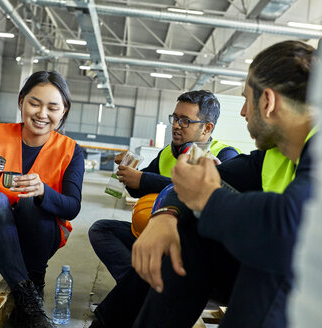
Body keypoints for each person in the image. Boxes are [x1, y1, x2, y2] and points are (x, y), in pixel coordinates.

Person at [90, 40, 317, 328]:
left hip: (310, 291)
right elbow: (191, 184)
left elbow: (288, 224)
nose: (243, 112)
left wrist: (208, 198)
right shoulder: (271, 157)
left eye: (247, 100)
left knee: (262, 272)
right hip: (274, 268)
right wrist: (165, 216)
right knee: (178, 240)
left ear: (268, 102)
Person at [0, 71, 84, 328]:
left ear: (63, 112)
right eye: (34, 103)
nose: (42, 114)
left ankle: (26, 294)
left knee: (31, 202)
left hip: (39, 240)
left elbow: (72, 206)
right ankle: (30, 296)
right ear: (21, 102)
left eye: (53, 107)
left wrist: (44, 191)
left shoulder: (71, 151)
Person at [88, 90, 239, 283]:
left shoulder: (226, 156)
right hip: (156, 233)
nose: (176, 125)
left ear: (207, 128)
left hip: (191, 244)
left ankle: (135, 290)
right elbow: (140, 188)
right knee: (102, 230)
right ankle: (137, 286)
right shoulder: (168, 152)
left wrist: (143, 179)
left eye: (185, 120)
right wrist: (129, 171)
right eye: (175, 118)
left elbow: (208, 192)